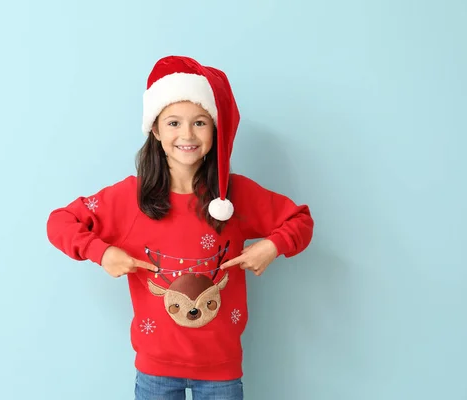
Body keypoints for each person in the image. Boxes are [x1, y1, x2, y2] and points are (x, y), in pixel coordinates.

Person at [46, 55, 314, 400]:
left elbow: (300, 220)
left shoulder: (237, 195)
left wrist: (272, 247)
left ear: (215, 130)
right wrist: (102, 253)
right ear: (155, 130)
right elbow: (60, 222)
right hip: (155, 372)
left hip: (221, 371)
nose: (187, 134)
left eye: (200, 123)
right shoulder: (130, 197)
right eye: (174, 123)